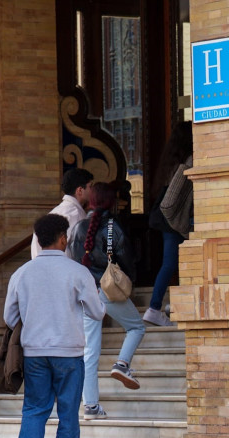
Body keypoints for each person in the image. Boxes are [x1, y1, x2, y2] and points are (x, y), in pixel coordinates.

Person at [6, 213, 105, 438]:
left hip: (34, 352)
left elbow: (9, 316)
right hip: (69, 353)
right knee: (68, 413)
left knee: (35, 409)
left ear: (38, 239)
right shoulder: (77, 272)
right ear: (63, 238)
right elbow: (97, 312)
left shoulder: (22, 273)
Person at [68, 182, 146, 420]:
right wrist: (129, 282)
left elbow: (73, 259)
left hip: (85, 293)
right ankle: (122, 364)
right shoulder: (113, 227)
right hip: (108, 289)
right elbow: (126, 258)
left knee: (90, 351)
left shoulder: (79, 227)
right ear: (111, 201)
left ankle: (90, 406)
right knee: (136, 327)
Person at [145, 122, 194, 327]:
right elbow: (173, 200)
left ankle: (165, 306)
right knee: (175, 263)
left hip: (170, 220)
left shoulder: (170, 162)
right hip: (178, 219)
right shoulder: (188, 162)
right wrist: (180, 224)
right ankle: (155, 307)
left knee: (174, 263)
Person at [31, 167, 93, 259]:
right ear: (80, 190)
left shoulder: (56, 211)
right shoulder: (75, 214)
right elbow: (73, 252)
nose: (92, 191)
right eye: (90, 186)